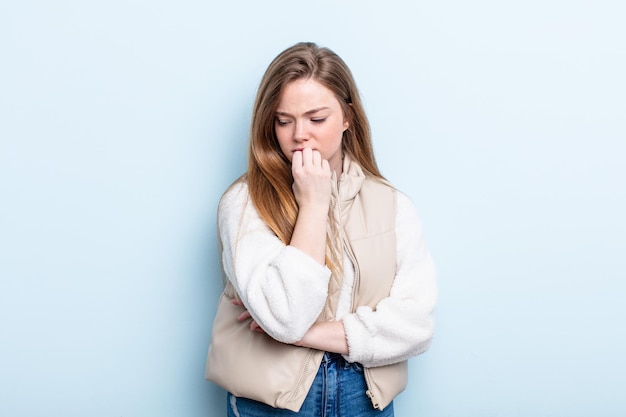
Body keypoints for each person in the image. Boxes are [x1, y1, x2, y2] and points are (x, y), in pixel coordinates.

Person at [206, 42, 438, 417]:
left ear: (347, 117)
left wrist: (305, 336)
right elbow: (287, 314)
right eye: (284, 121)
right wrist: (313, 204)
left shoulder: (393, 205)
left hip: (363, 396)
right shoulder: (244, 202)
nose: (300, 135)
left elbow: (416, 326)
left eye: (316, 119)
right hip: (271, 401)